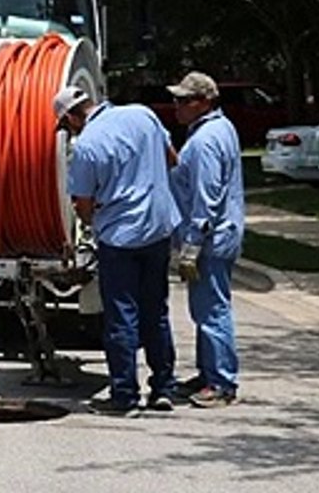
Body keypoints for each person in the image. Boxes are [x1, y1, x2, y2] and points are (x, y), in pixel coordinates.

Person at [54, 85, 182, 416]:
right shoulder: (143, 114)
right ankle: (164, 388)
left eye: (67, 125)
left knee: (122, 316)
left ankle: (125, 396)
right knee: (156, 311)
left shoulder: (87, 146)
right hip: (159, 228)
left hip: (120, 239)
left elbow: (82, 206)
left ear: (71, 116)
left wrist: (94, 213)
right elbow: (172, 159)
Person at [166, 71, 244, 408]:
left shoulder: (206, 140)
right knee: (205, 308)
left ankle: (222, 382)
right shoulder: (217, 129)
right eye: (177, 99)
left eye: (185, 100)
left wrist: (192, 244)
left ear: (205, 102)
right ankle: (209, 372)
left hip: (210, 239)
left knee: (212, 310)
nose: (177, 106)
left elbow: (207, 196)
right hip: (219, 235)